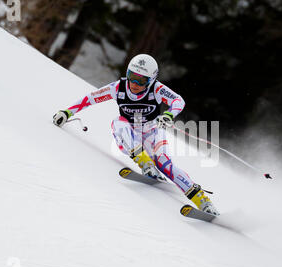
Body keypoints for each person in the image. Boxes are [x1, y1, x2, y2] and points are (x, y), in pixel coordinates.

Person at [53, 54, 219, 216]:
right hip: (130, 135)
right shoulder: (118, 88)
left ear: (151, 80)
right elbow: (90, 99)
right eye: (132, 76)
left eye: (141, 80)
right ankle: (144, 162)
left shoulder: (157, 89)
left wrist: (168, 115)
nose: (135, 83)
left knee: (165, 164)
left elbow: (178, 101)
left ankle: (203, 202)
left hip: (152, 133)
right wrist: (67, 112)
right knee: (118, 122)